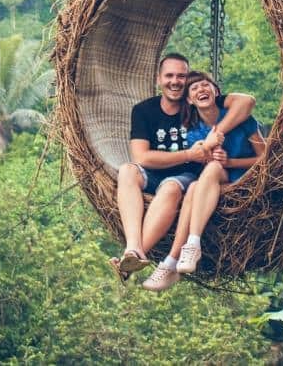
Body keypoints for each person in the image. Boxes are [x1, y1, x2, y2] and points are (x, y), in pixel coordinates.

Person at [112, 54, 256, 284]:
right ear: (159, 79)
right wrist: (190, 154)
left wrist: (214, 134)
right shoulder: (144, 110)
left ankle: (137, 256)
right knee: (127, 170)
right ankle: (132, 249)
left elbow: (246, 102)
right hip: (154, 171)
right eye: (169, 75)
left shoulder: (198, 103)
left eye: (181, 76)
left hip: (186, 175)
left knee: (170, 187)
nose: (175, 81)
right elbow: (141, 156)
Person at [141, 70, 266, 291]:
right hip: (215, 183)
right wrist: (209, 149)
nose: (201, 89)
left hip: (246, 180)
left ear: (216, 91)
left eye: (205, 85)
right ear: (189, 100)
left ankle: (179, 254)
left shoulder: (241, 118)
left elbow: (266, 159)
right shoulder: (192, 132)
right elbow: (201, 160)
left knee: (206, 176)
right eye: (194, 88)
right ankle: (181, 253)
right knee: (200, 181)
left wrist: (230, 162)